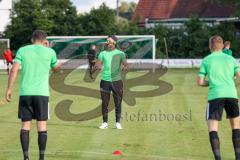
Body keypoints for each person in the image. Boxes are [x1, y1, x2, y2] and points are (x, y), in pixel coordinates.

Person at [5, 30, 60, 160]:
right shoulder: (50, 52)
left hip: (25, 93)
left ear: (32, 39)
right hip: (42, 94)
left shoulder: (22, 50)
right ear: (45, 40)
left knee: (25, 125)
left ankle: (26, 157)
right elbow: (56, 69)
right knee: (41, 125)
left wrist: (9, 89)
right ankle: (41, 158)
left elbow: (14, 70)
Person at [197, 35, 240, 160]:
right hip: (231, 95)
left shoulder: (207, 60)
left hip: (215, 96)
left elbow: (200, 82)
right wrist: (232, 85)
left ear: (210, 46)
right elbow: (239, 76)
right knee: (236, 127)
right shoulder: (231, 59)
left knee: (213, 129)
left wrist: (210, 83)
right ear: (222, 46)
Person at [95, 35, 128, 129]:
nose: (107, 42)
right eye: (106, 41)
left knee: (118, 102)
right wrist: (97, 66)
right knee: (105, 103)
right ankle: (105, 123)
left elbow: (126, 65)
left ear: (114, 43)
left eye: (109, 41)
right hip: (105, 81)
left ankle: (118, 123)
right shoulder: (102, 53)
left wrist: (122, 69)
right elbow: (98, 65)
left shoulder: (121, 54)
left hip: (117, 81)